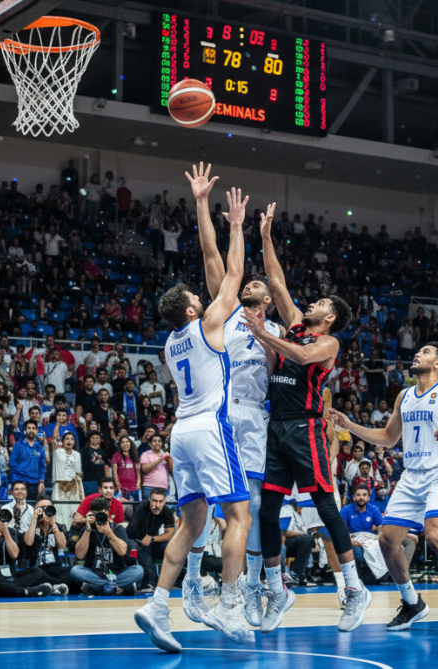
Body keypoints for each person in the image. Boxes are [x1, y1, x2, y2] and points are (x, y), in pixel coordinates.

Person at [135, 185, 254, 653]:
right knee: (239, 515)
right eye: (194, 298)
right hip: (209, 427)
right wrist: (238, 225)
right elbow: (232, 269)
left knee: (191, 523)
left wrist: (202, 204)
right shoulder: (208, 326)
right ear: (191, 309)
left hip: (180, 433)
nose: (203, 298)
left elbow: (209, 256)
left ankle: (158, 603)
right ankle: (227, 604)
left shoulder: (170, 344)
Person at [241, 200, 368, 635]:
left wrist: (261, 333)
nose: (308, 304)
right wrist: (264, 237)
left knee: (325, 507)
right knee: (269, 511)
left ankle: (354, 590)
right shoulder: (293, 322)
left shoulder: (328, 345)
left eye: (318, 303)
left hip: (307, 426)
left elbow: (298, 354)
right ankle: (276, 590)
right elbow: (275, 280)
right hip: (277, 426)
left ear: (329, 318)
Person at [331, 342, 438, 638]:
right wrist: (350, 425)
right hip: (411, 475)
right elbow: (389, 438)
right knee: (387, 540)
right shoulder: (404, 396)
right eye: (418, 351)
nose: (418, 354)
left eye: (426, 352)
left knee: (434, 536)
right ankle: (412, 602)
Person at [188, 162, 286, 627]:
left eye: (255, 285)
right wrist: (207, 207)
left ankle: (250, 589)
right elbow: (214, 258)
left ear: (266, 298)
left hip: (255, 418)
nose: (247, 284)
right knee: (205, 502)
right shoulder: (224, 315)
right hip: (219, 413)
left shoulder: (278, 330)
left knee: (250, 506)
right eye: (246, 283)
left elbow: (279, 373)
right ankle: (192, 582)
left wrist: (265, 336)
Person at [72, 495, 143, 596]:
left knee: (138, 570)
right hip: (95, 573)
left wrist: (108, 532)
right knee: (75, 571)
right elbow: (79, 555)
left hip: (117, 573)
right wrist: (87, 529)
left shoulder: (117, 528)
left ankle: (97, 588)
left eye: (102, 513)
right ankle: (116, 588)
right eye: (96, 514)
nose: (99, 517)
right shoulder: (88, 530)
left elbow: (122, 551)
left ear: (108, 513)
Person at [127, 487, 176, 591]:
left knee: (172, 546)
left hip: (152, 541)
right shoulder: (142, 508)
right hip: (135, 541)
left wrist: (152, 539)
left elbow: (169, 534)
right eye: (154, 501)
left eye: (160, 502)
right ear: (149, 500)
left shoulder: (167, 511)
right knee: (142, 548)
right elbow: (131, 531)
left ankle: (177, 580)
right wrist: (144, 540)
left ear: (165, 501)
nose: (157, 505)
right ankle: (148, 583)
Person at [21, 499, 71, 594]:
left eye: (48, 508)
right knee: (38, 574)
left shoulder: (59, 527)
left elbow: (62, 546)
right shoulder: (32, 526)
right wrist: (34, 518)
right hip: (37, 568)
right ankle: (56, 586)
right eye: (42, 508)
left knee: (70, 571)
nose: (45, 511)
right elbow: (28, 542)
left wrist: (52, 523)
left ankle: (48, 587)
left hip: (54, 568)